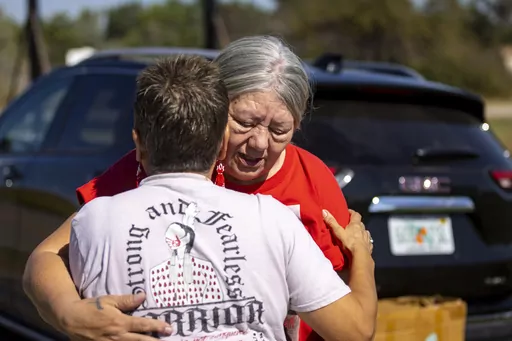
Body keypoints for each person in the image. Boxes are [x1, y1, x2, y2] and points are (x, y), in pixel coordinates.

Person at [22, 35, 372, 341]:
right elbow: (47, 256)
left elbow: (346, 314)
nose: (259, 143)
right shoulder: (152, 165)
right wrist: (68, 313)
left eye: (280, 130)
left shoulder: (312, 179)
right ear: (213, 112)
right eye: (245, 122)